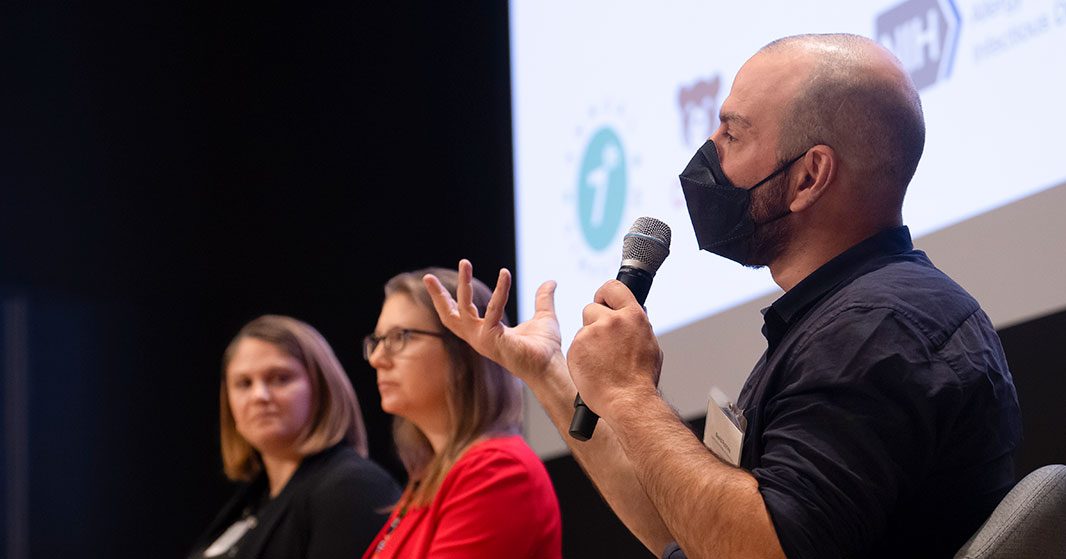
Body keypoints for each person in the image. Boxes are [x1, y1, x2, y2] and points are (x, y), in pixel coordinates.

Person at [422, 34, 1022, 559]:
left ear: (810, 176)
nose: (708, 153)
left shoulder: (878, 329)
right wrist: (553, 372)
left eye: (732, 132)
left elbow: (761, 550)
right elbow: (688, 527)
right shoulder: (845, 319)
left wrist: (632, 394)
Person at [361, 268, 562, 559]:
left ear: (464, 347)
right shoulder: (429, 480)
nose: (378, 358)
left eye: (399, 337)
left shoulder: (499, 472)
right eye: (377, 341)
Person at [189, 315, 400, 559]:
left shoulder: (353, 487)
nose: (259, 396)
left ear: (322, 388)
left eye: (280, 378)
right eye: (244, 383)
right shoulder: (253, 499)